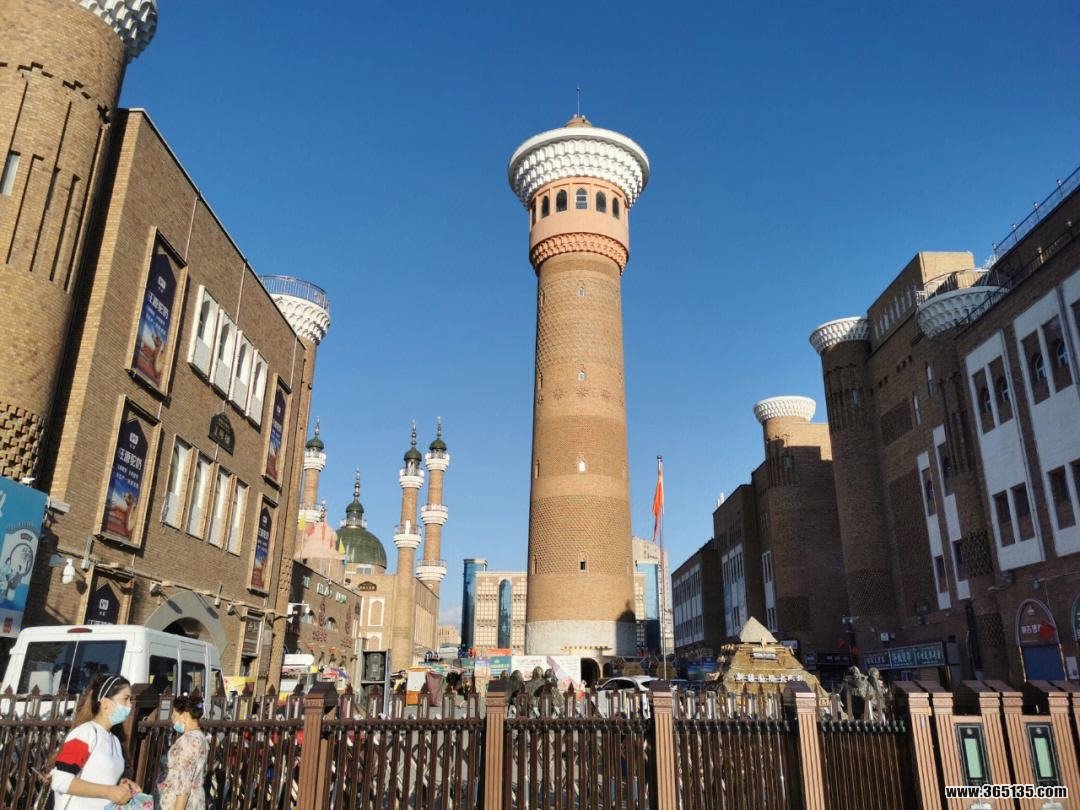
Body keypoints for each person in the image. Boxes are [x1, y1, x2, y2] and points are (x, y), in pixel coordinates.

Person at [50, 673, 141, 808]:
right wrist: (109, 791)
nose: (130, 705)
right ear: (105, 703)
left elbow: (99, 776)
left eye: (130, 700)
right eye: (125, 699)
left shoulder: (115, 740)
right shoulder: (85, 733)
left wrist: (123, 785)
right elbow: (60, 780)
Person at [155, 693, 209, 810]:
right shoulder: (200, 737)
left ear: (184, 715)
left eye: (174, 714)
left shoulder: (188, 741)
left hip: (178, 803)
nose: (172, 719)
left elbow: (184, 782)